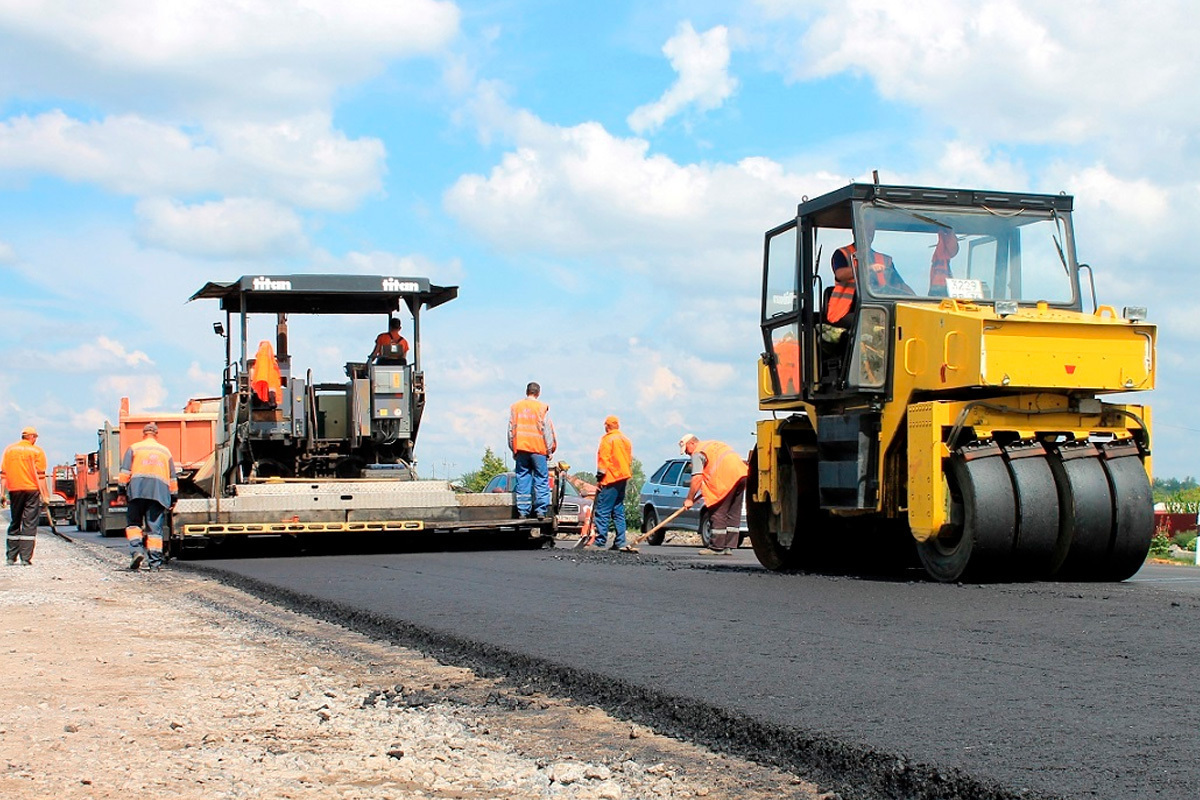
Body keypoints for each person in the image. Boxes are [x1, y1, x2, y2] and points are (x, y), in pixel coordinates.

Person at [119, 422, 178, 571]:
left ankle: (137, 551)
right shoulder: (165, 452)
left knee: (134, 525)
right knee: (154, 530)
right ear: (156, 434)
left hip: (137, 492)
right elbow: (172, 478)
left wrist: (121, 492)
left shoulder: (134, 448)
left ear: (144, 434)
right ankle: (155, 563)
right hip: (158, 493)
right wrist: (173, 497)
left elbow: (125, 472)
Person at [679, 433, 748, 556]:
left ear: (692, 443)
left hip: (725, 480)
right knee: (733, 512)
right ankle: (728, 546)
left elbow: (697, 478)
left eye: (686, 450)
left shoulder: (698, 452)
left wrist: (689, 499)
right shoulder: (713, 445)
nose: (687, 453)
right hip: (741, 475)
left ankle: (717, 547)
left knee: (718, 512)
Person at [507, 382, 557, 519]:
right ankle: (540, 511)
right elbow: (547, 431)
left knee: (523, 479)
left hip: (521, 449)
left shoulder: (516, 407)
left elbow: (510, 431)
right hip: (538, 450)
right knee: (541, 479)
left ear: (527, 391)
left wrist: (513, 449)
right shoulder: (541, 408)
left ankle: (523, 511)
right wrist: (549, 451)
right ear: (538, 393)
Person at [1, 426, 49, 565]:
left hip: (14, 489)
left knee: (15, 521)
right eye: (36, 437)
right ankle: (25, 558)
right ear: (32, 437)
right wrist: (45, 496)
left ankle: (11, 557)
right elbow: (41, 476)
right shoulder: (37, 451)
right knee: (29, 523)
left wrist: (2, 494)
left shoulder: (9, 450)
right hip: (31, 490)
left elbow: (3, 475)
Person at [591, 415, 635, 552]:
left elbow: (604, 459)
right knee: (618, 510)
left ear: (607, 426)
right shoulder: (625, 440)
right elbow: (628, 459)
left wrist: (600, 478)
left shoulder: (607, 439)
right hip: (623, 477)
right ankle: (621, 541)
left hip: (611, 478)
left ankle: (600, 541)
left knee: (602, 510)